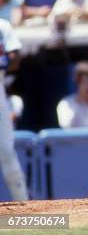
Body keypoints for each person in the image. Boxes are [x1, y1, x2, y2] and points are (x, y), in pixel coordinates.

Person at [0, 19, 27, 200]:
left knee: (6, 150)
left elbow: (15, 58)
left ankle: (24, 206)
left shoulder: (2, 25)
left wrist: (4, 61)